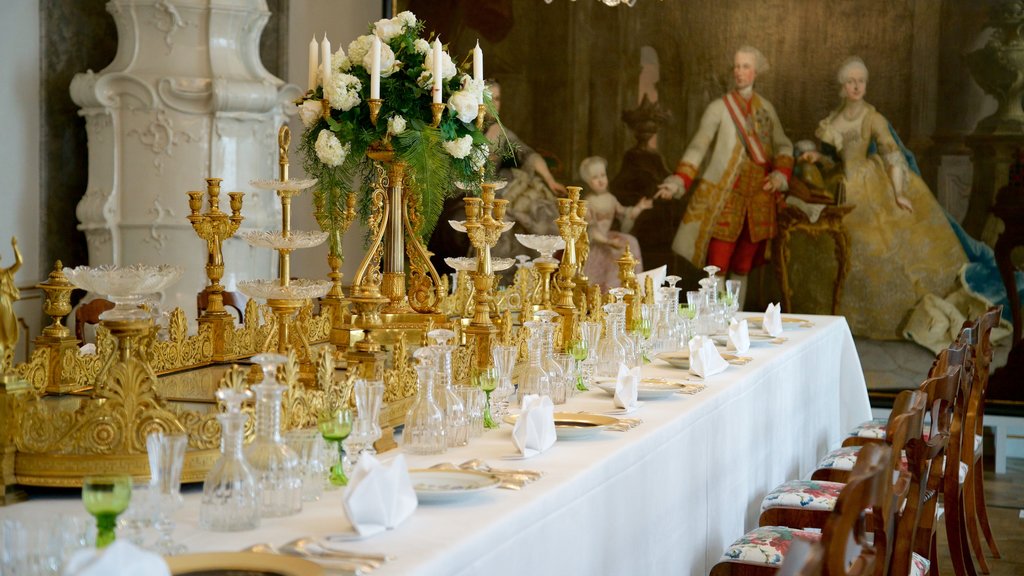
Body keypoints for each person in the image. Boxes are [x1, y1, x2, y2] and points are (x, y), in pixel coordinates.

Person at [801, 57, 969, 340]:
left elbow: (892, 155)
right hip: (839, 186)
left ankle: (879, 321)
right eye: (851, 81)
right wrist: (816, 157)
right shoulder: (832, 120)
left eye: (861, 81)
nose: (857, 86)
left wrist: (899, 193)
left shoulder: (873, 117)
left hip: (870, 187)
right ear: (843, 86)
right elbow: (832, 161)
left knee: (876, 246)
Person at [655, 46, 793, 309]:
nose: (739, 72)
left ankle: (734, 320)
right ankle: (714, 321)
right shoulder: (719, 108)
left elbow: (784, 146)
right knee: (716, 265)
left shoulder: (767, 109)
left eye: (745, 66)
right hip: (726, 197)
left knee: (742, 265)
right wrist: (678, 181)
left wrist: (779, 175)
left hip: (759, 199)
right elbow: (699, 146)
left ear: (755, 72)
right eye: (737, 66)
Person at [579, 156, 650, 289]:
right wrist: (609, 242)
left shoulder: (611, 198)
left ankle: (633, 286)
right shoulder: (588, 202)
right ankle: (606, 295)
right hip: (595, 242)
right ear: (588, 182)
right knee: (608, 256)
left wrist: (640, 207)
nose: (600, 181)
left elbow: (625, 213)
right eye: (595, 178)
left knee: (631, 242)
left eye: (603, 175)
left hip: (608, 237)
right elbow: (592, 232)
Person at [0, 237, 23, 371]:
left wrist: (15, 246)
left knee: (6, 331)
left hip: (4, 304)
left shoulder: (5, 273)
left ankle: (5, 361)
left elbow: (19, 262)